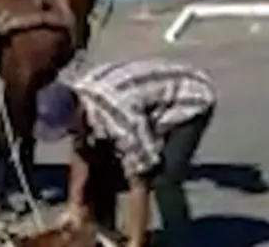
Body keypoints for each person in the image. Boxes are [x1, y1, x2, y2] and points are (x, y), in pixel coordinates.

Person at [34, 58, 217, 247]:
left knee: (164, 178)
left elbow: (139, 182)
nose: (66, 134)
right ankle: (106, 235)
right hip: (141, 99)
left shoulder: (120, 118)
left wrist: (135, 242)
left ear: (78, 111)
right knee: (99, 166)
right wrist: (74, 204)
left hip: (190, 99)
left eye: (67, 128)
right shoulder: (77, 103)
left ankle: (178, 240)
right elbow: (81, 150)